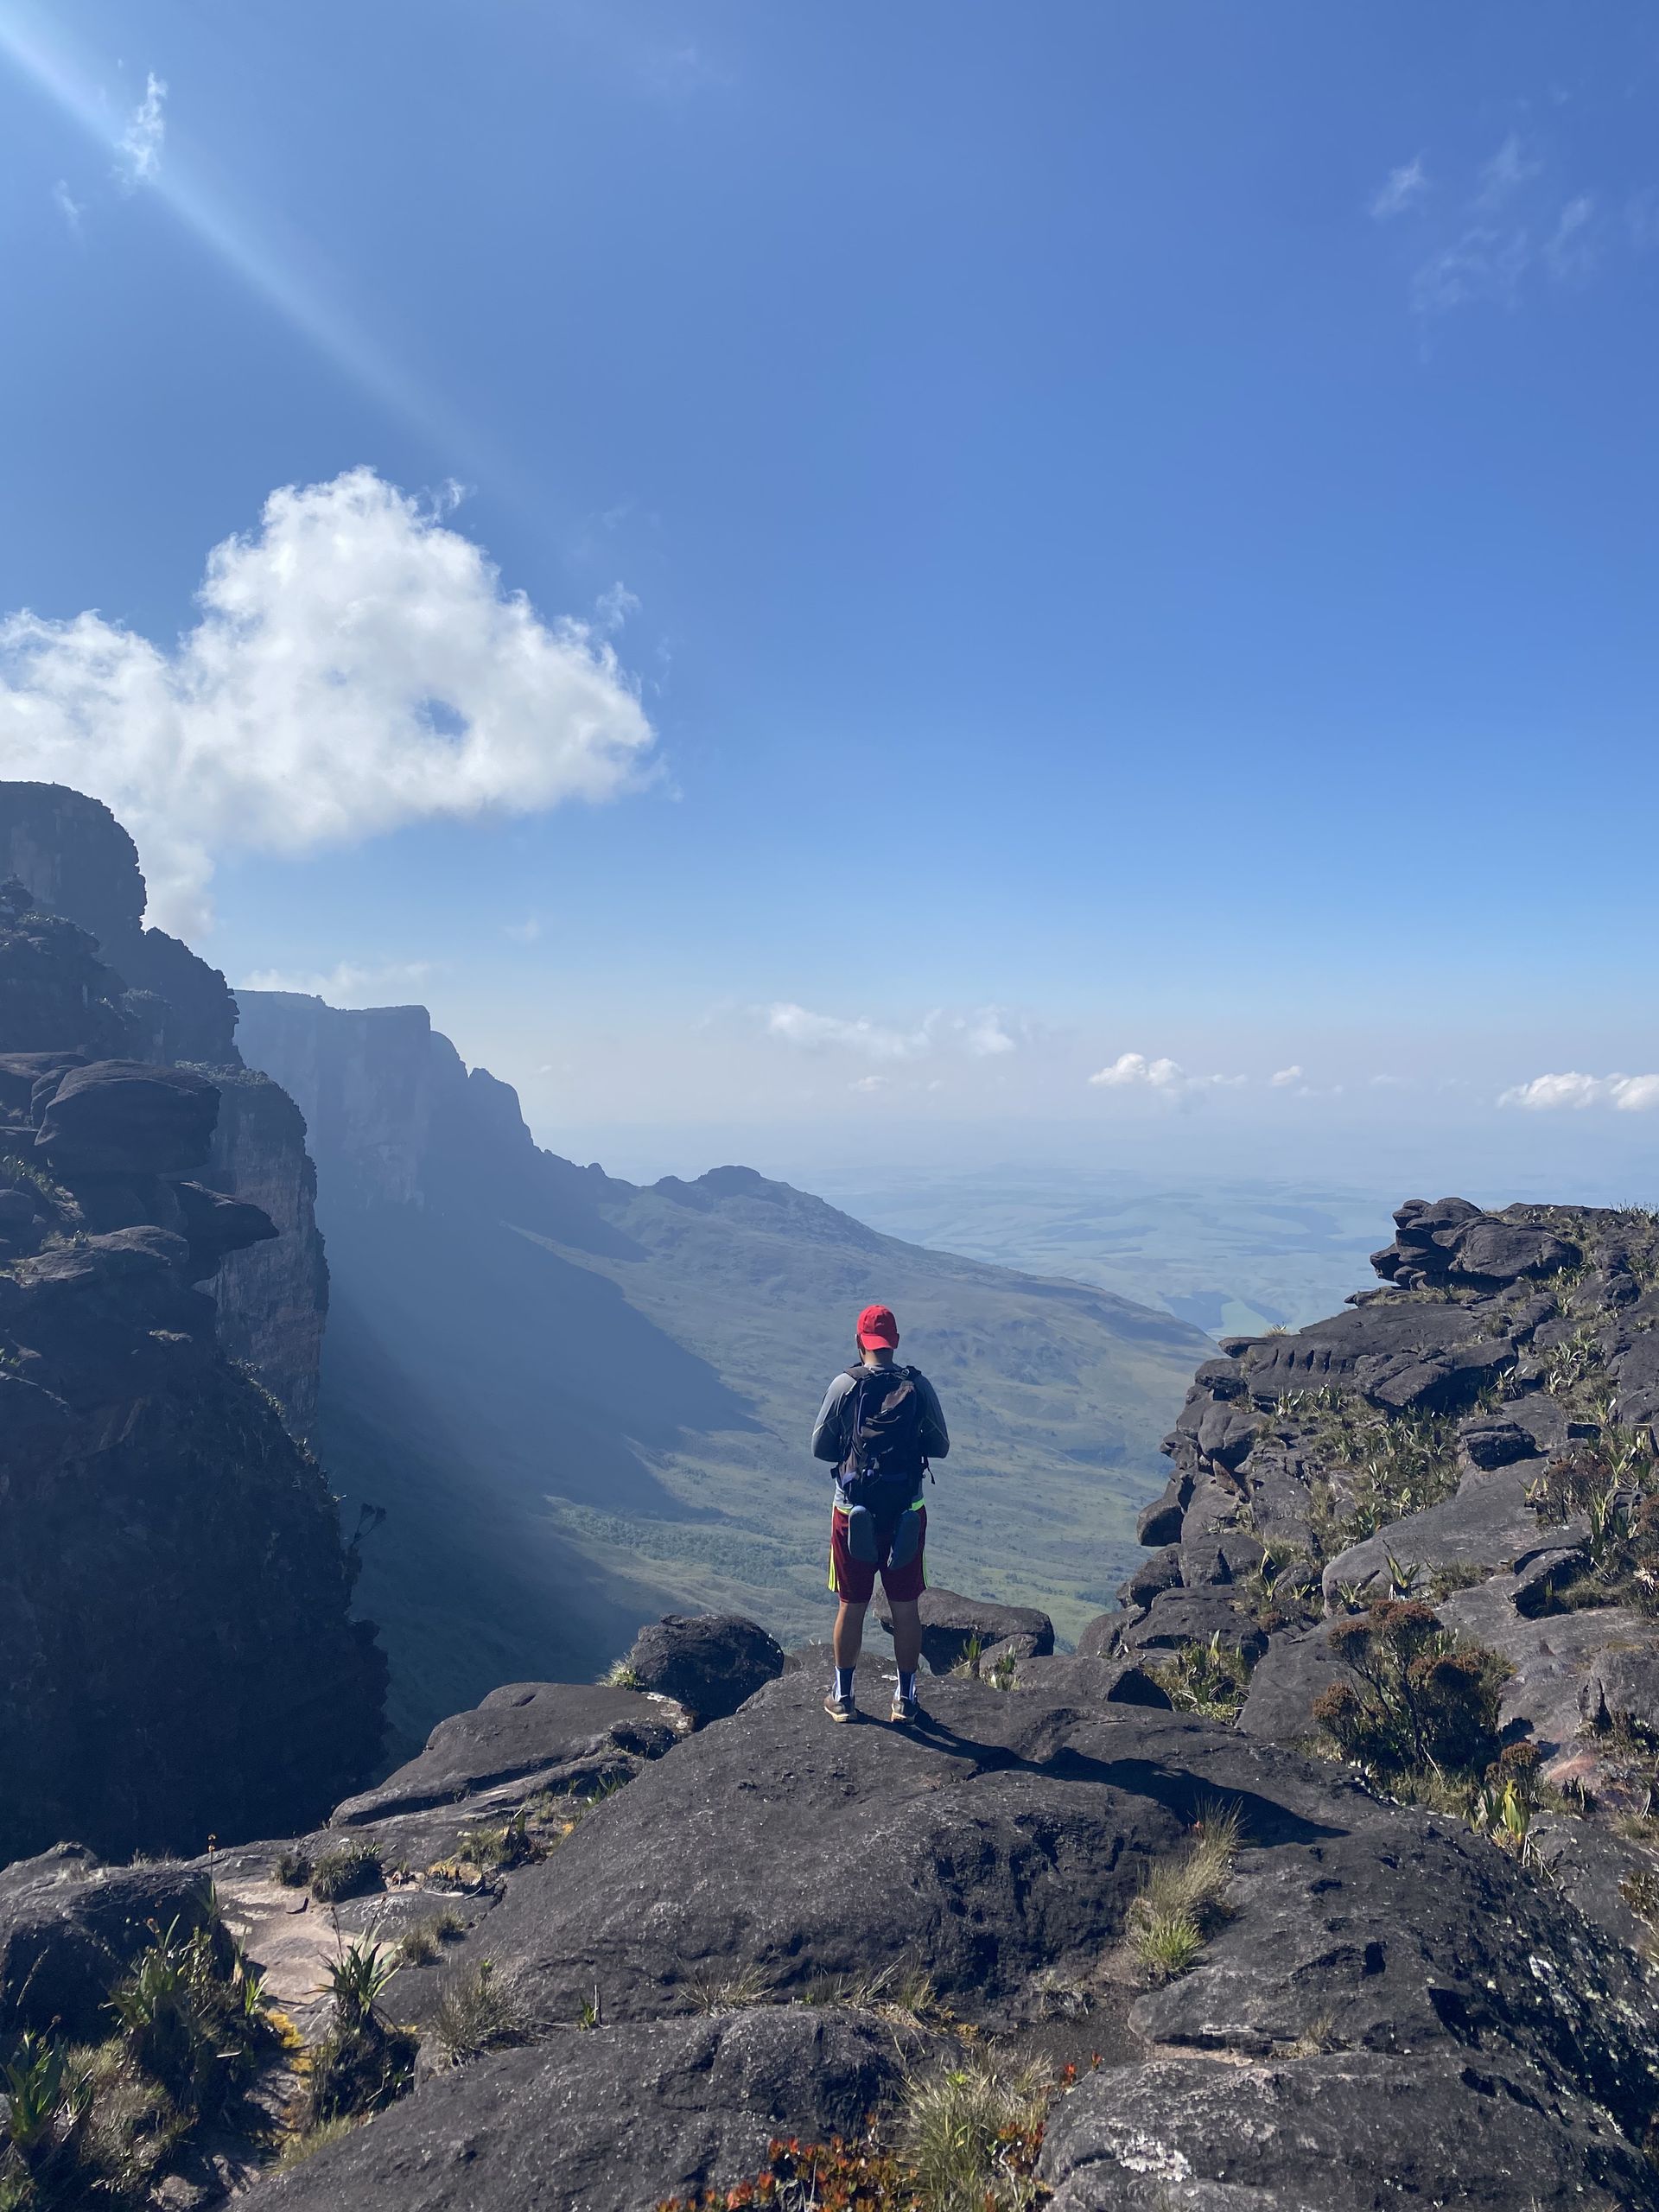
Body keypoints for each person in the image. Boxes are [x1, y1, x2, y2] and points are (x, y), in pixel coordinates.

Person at [811, 1302, 949, 1726]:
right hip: (907, 1509)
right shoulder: (918, 1386)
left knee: (851, 1603)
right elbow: (940, 1446)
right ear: (896, 1343)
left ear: (859, 1341)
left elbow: (820, 1448)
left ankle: (843, 1695)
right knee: (905, 1606)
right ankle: (905, 1700)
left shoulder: (844, 1385)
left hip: (853, 1511)